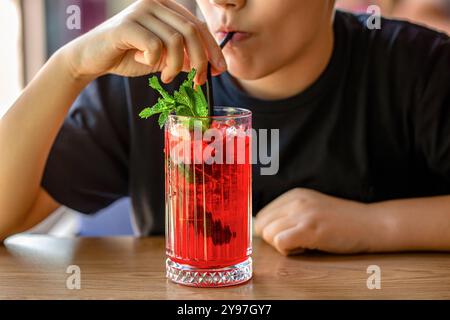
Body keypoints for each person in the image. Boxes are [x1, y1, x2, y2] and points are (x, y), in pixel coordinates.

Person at [1, 0, 449, 255]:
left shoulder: (420, 69)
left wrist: (377, 225)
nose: (224, 2)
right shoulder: (149, 84)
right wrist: (70, 67)